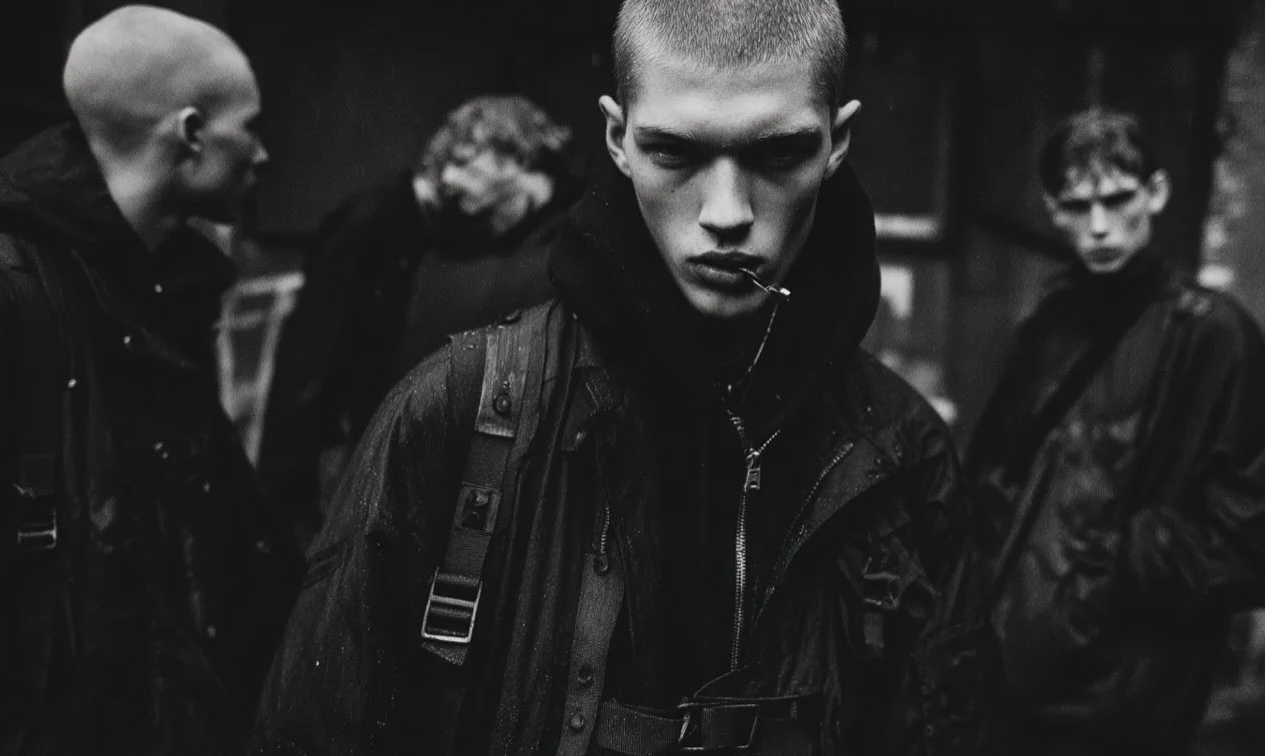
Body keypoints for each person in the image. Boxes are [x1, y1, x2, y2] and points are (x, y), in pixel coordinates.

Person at [253, 1, 988, 753]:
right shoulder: (456, 407)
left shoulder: (901, 450)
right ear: (617, 139)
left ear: (837, 142)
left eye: (778, 155)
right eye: (674, 152)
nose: (726, 213)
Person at [0, 6, 301, 754]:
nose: (263, 154)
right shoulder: (12, 293)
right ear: (191, 134)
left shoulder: (164, 290)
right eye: (249, 127)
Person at [967, 109, 1265, 756]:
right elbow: (992, 487)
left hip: (1121, 710)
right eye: (1079, 206)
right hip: (1007, 687)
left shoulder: (1214, 339)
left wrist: (1117, 564)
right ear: (1054, 210)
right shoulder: (1048, 328)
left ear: (1156, 195)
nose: (1101, 226)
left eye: (1117, 199)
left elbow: (1254, 550)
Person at [258, 95, 578, 551]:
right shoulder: (374, 222)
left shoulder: (423, 230)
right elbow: (309, 369)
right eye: (519, 201)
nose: (506, 226)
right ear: (495, 157)